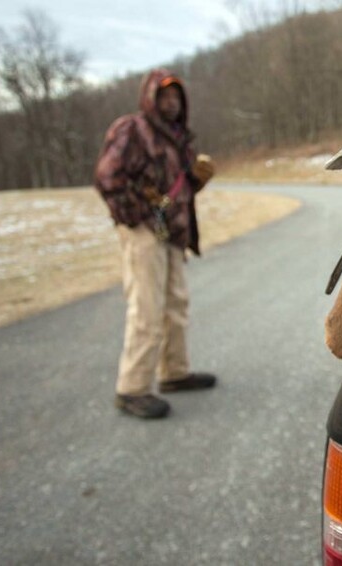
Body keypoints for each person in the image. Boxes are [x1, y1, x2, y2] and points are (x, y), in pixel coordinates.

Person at [94, 68, 217, 419]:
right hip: (143, 231)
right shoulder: (132, 129)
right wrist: (138, 213)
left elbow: (176, 189)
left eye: (176, 96)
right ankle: (131, 389)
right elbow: (107, 177)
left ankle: (174, 373)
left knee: (176, 304)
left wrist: (194, 180)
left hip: (172, 233)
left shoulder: (178, 138)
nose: (171, 102)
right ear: (149, 98)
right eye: (164, 96)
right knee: (146, 308)